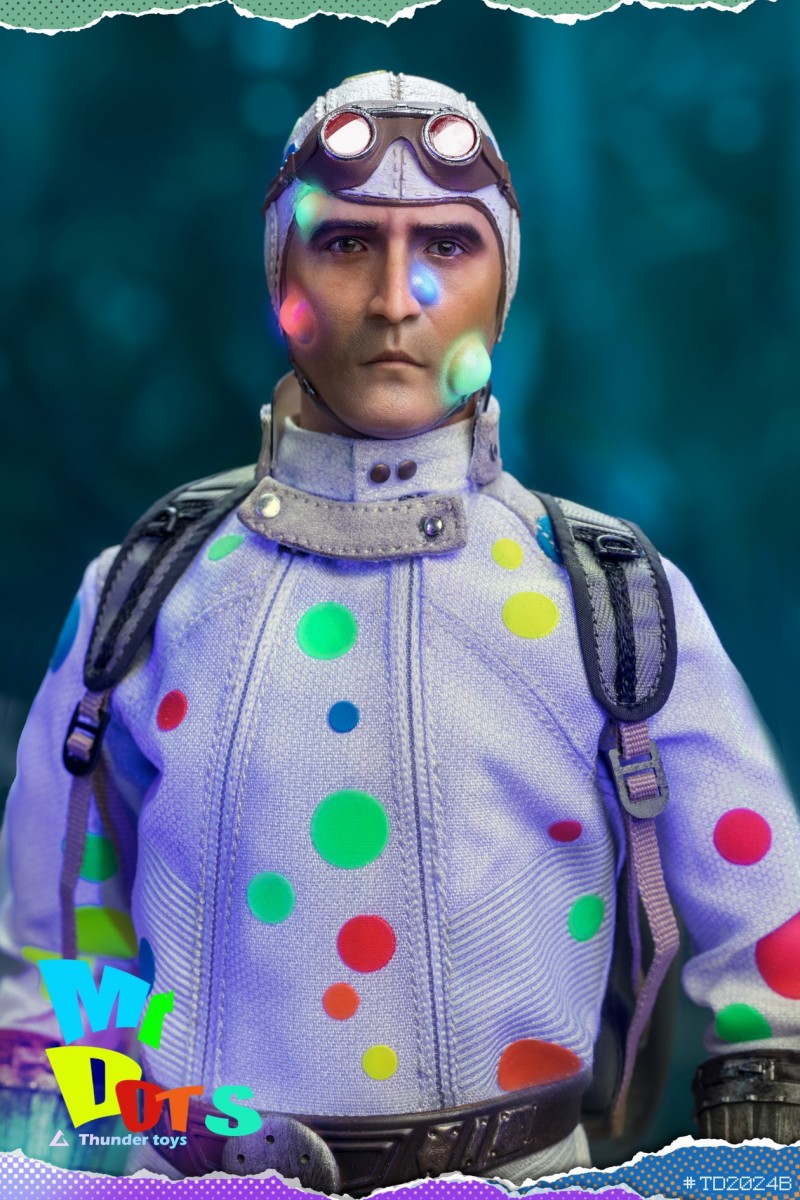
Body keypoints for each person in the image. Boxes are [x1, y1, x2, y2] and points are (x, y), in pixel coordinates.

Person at [1, 70, 799, 1193]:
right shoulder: (147, 589)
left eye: (447, 245)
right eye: (343, 245)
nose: (394, 297)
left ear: (503, 286)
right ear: (280, 276)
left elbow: (773, 953)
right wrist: (82, 1159)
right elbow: (52, 956)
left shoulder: (607, 593)